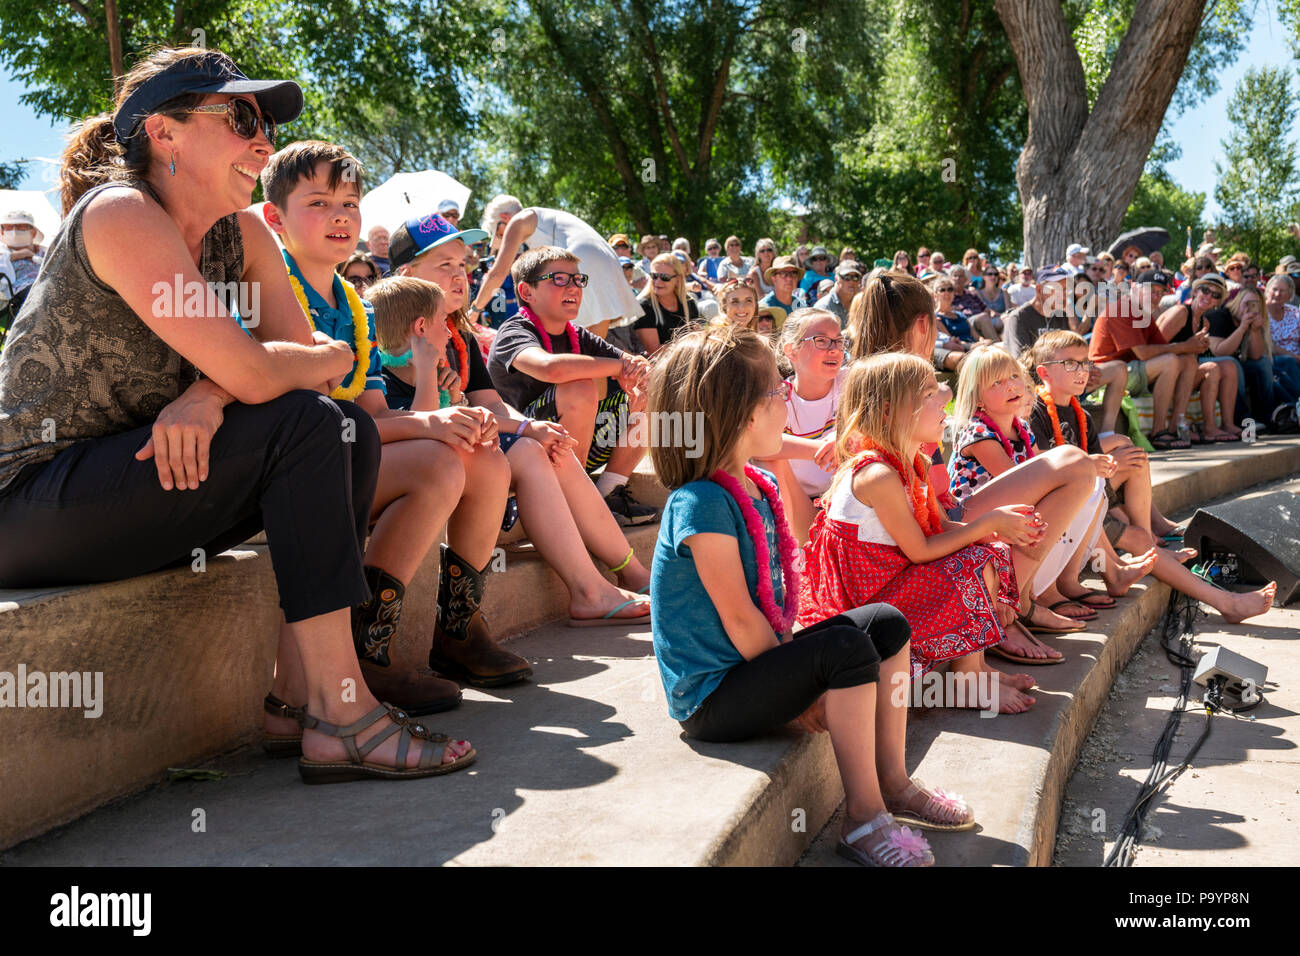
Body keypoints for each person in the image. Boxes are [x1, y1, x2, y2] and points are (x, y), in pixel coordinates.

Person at [0, 46, 475, 781]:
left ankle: (297, 701)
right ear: (165, 135)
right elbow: (276, 366)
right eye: (242, 117)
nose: (265, 142)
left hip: (133, 482)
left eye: (267, 123)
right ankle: (344, 714)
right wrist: (242, 375)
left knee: (343, 429)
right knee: (310, 424)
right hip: (30, 499)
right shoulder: (122, 213)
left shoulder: (244, 232)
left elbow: (327, 357)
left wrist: (210, 391)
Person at [648, 324, 968, 867]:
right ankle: (862, 817)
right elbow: (743, 620)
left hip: (752, 670)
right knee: (843, 651)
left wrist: (796, 671)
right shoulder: (700, 502)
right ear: (745, 414)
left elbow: (779, 593)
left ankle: (892, 780)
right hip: (713, 699)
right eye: (777, 392)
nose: (786, 403)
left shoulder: (755, 482)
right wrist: (801, 692)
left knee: (884, 623)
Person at [262, 141, 526, 704]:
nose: (340, 216)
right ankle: (360, 655)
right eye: (318, 202)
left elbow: (372, 419)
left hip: (342, 459)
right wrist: (431, 426)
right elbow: (326, 427)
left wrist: (443, 420)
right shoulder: (272, 290)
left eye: (350, 203)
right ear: (274, 218)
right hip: (284, 473)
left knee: (480, 452)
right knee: (436, 461)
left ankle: (455, 630)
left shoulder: (355, 308)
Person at [369, 274, 651, 628]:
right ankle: (587, 592)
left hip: (464, 460)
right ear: (422, 326)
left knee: (548, 449)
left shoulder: (455, 350)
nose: (449, 330)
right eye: (443, 322)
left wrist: (524, 426)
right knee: (534, 449)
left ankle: (629, 574)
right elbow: (427, 429)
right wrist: (430, 374)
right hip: (428, 474)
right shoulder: (385, 372)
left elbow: (479, 410)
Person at [848, 273, 1101, 656]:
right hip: (922, 525)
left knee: (1077, 467)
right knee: (1073, 466)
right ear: (923, 324)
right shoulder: (891, 385)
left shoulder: (874, 377)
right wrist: (983, 525)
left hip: (936, 512)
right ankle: (1007, 611)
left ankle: (1019, 601)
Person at [800, 351, 1040, 713]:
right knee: (972, 563)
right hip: (866, 598)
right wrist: (987, 525)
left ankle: (975, 669)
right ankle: (965, 682)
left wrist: (999, 528)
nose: (943, 403)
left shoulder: (911, 459)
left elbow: (941, 526)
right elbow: (920, 551)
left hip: (889, 578)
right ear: (888, 411)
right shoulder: (877, 474)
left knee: (987, 551)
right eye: (929, 396)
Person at [1023, 332, 1276, 624]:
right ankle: (1225, 601)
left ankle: (1145, 543)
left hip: (1085, 504)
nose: (1082, 371)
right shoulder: (1036, 411)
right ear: (1044, 372)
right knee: (1135, 526)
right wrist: (1103, 464)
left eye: (1085, 363)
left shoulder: (1082, 415)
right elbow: (1044, 469)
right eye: (1070, 364)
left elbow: (1096, 478)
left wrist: (1110, 464)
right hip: (1059, 513)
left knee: (1136, 459)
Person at [488, 246, 658, 525]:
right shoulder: (514, 331)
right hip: (523, 449)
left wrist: (639, 372)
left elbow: (633, 365)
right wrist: (619, 368)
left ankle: (608, 492)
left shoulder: (577, 334)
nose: (574, 287)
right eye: (559, 279)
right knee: (579, 388)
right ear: (527, 292)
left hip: (571, 449)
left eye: (578, 280)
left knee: (650, 390)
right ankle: (574, 503)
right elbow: (551, 368)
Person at [468, 197, 642, 340]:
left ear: (505, 218)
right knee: (593, 356)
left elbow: (497, 273)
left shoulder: (518, 221)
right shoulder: (545, 216)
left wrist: (474, 311)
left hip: (582, 261)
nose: (503, 238)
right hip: (605, 259)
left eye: (500, 234)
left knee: (576, 354)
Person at [756, 309, 846, 543]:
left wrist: (845, 437)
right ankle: (790, 558)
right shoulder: (779, 396)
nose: (834, 348)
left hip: (848, 499)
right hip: (800, 506)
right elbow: (758, 444)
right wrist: (821, 448)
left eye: (838, 340)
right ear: (791, 350)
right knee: (769, 459)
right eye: (822, 340)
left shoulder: (851, 382)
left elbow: (880, 421)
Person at [1088, 268, 1200, 449]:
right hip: (1108, 375)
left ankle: (1175, 427)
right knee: (1171, 361)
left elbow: (1161, 348)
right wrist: (1184, 346)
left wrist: (1194, 345)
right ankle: (1158, 432)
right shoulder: (1121, 308)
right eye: (1151, 291)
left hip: (1131, 370)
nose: (1156, 297)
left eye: (1160, 293)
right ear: (1135, 288)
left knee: (1188, 361)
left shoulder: (1144, 314)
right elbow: (1143, 353)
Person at [1155, 273, 1241, 441]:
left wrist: (1197, 349)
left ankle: (1221, 425)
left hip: (1182, 372)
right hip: (1161, 374)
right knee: (1208, 366)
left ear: (1218, 302)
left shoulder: (1204, 323)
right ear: (1195, 291)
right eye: (1205, 290)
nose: (1208, 296)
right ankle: (1179, 427)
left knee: (1228, 366)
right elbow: (1153, 349)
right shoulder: (1180, 312)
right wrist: (1187, 347)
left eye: (1215, 295)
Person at [1208, 285, 1300, 423]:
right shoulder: (1219, 316)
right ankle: (1242, 417)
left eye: (1254, 305)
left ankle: (1267, 415)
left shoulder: (1256, 321)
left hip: (1236, 363)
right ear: (1237, 302)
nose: (1248, 309)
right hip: (1213, 363)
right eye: (1246, 304)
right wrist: (1242, 328)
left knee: (1263, 363)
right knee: (1232, 364)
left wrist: (1254, 331)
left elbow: (1256, 356)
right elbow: (1219, 351)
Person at [1002, 265, 1079, 358]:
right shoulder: (1018, 318)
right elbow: (1021, 362)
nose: (1064, 295)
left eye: (1067, 290)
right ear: (1039, 290)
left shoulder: (1062, 315)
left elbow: (1074, 350)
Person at [635, 251, 700, 353]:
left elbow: (698, 338)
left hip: (688, 359)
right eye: (654, 276)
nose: (658, 281)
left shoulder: (689, 302)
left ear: (678, 279)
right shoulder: (644, 306)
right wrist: (688, 346)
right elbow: (655, 351)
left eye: (665, 277)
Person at [0, 210, 45, 300]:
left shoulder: (48, 252)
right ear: (2, 232)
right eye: (8, 227)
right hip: (23, 300)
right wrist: (17, 255)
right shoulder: (2, 254)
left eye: (21, 226)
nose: (14, 231)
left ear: (33, 232)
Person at [813, 259, 862, 328]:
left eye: (855, 277)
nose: (851, 281)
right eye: (846, 277)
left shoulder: (861, 305)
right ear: (836, 279)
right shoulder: (824, 307)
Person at [760, 254, 807, 325]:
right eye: (783, 273)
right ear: (774, 279)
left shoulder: (801, 305)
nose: (789, 278)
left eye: (793, 273)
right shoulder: (765, 308)